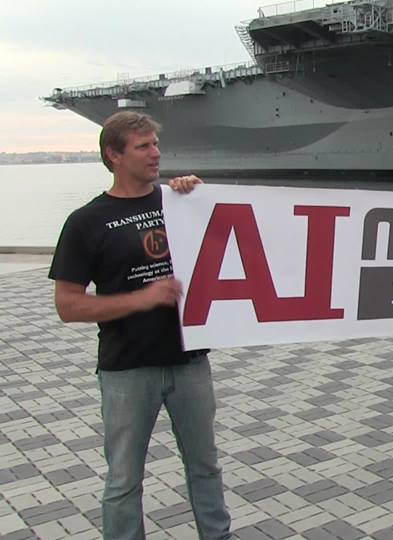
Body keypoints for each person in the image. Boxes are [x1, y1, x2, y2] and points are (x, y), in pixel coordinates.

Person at [49, 111, 232, 539]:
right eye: (143, 146)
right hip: (127, 368)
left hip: (190, 362)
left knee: (205, 466)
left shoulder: (180, 202)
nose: (156, 153)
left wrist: (201, 196)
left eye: (156, 144)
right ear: (113, 155)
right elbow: (68, 305)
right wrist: (141, 299)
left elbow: (231, 241)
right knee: (123, 479)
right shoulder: (85, 222)